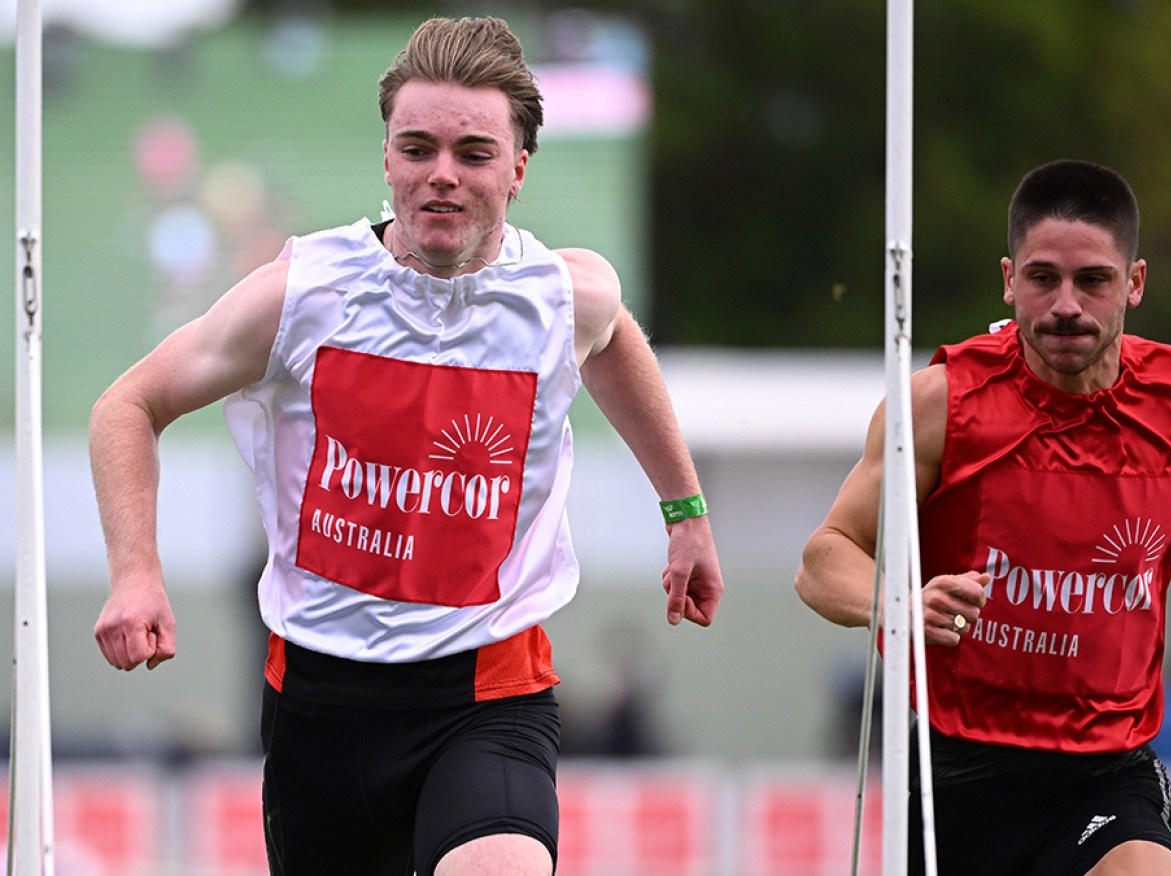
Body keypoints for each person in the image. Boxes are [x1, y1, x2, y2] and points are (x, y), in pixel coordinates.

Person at [91, 16, 723, 876]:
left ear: (517, 170)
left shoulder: (561, 295)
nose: (442, 176)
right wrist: (135, 571)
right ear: (386, 160)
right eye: (417, 149)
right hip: (318, 700)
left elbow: (613, 341)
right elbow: (128, 404)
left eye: (472, 153)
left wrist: (684, 511)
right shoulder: (303, 295)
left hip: (487, 693)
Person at [795, 158, 1171, 875]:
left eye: (1092, 280)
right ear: (1009, 280)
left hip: (1105, 775)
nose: (1065, 304)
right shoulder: (938, 406)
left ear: (1132, 284)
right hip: (955, 778)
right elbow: (823, 558)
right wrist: (898, 607)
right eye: (1042, 279)